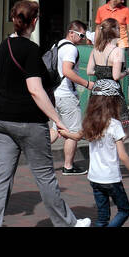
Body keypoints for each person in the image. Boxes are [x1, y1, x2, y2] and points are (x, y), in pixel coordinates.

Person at [0, 0, 88, 227]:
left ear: (14, 19)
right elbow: (35, 90)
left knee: (1, 177)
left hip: (1, 117)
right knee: (45, 177)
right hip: (28, 121)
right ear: (35, 21)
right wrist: (57, 120)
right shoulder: (31, 50)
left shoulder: (4, 45)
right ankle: (68, 223)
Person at [82, 83, 129, 226]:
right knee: (124, 210)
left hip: (95, 177)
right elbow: (122, 155)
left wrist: (64, 132)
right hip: (111, 178)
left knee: (102, 217)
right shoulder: (114, 125)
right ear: (113, 103)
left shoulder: (90, 122)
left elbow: (76, 136)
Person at [49, 20, 92, 174]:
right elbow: (67, 71)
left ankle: (37, 154)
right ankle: (68, 166)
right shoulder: (71, 49)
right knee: (73, 132)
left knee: (56, 129)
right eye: (81, 35)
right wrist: (87, 84)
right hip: (66, 95)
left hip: (55, 94)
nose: (82, 38)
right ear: (71, 33)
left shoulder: (58, 45)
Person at [95, 0, 129, 111]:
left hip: (122, 45)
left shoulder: (125, 10)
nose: (123, 1)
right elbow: (98, 28)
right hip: (106, 45)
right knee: (107, 72)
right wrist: (97, 44)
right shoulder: (101, 10)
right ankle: (108, 99)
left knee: (127, 71)